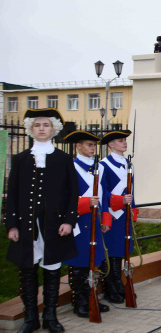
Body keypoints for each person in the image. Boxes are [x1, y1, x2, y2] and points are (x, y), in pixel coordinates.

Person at [5, 108, 79, 333]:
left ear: (54, 129)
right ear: (30, 129)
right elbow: (12, 195)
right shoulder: (20, 159)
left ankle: (50, 316)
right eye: (37, 125)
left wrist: (69, 221)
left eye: (46, 125)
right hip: (26, 227)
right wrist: (12, 225)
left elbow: (72, 194)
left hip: (53, 227)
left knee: (52, 270)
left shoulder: (64, 159)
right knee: (27, 270)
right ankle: (30, 319)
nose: (41, 128)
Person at [62, 130, 111, 318]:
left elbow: (105, 196)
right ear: (78, 146)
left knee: (93, 261)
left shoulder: (100, 168)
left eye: (94, 145)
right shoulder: (70, 168)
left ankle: (92, 296)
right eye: (89, 145)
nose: (93, 148)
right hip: (78, 220)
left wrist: (106, 219)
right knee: (79, 262)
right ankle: (79, 300)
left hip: (95, 221)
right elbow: (63, 198)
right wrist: (84, 203)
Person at [99, 130, 137, 304]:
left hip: (124, 215)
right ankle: (110, 286)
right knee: (110, 251)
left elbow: (131, 190)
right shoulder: (104, 165)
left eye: (125, 140)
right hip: (111, 214)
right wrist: (120, 200)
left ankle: (118, 283)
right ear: (111, 145)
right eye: (120, 140)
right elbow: (102, 192)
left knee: (120, 251)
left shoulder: (128, 164)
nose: (124, 143)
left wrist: (133, 210)